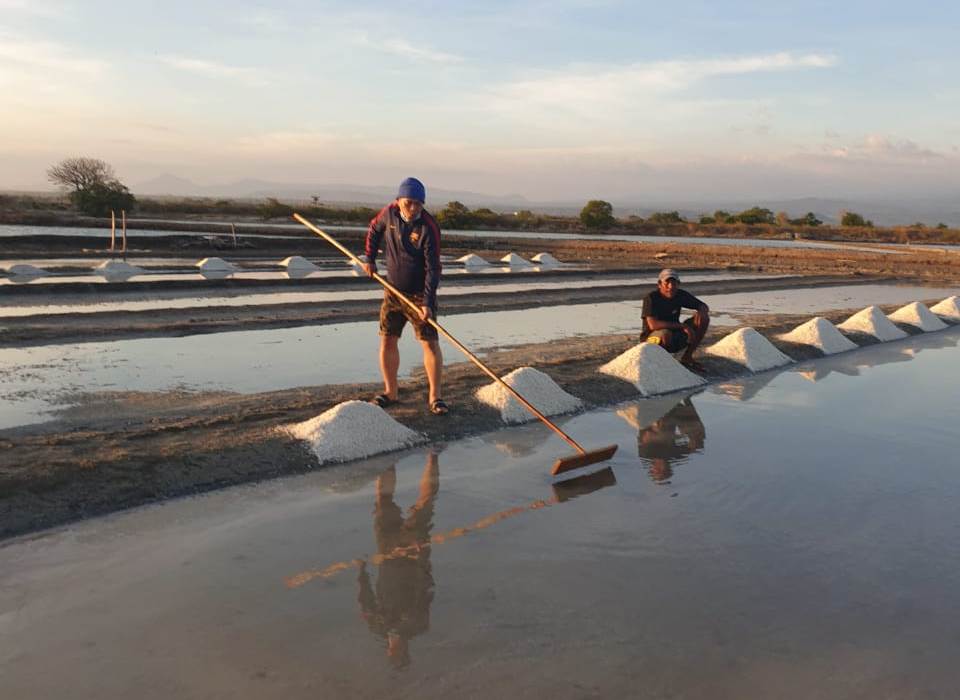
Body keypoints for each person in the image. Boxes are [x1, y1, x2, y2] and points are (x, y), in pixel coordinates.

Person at [364, 177, 447, 415]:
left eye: (419, 204)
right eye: (409, 203)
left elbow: (433, 269)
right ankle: (391, 392)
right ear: (399, 200)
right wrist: (369, 259)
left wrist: (428, 303)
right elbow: (373, 229)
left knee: (429, 343)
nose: (413, 209)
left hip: (420, 294)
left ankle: (435, 397)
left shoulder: (428, 227)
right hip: (392, 290)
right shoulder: (388, 214)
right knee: (388, 339)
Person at [357, 452, 439, 669]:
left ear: (389, 651)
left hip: (387, 551)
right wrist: (421, 556)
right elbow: (428, 589)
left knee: (383, 502)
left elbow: (365, 600)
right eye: (400, 653)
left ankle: (391, 458)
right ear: (405, 651)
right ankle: (431, 457)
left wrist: (361, 571)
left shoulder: (378, 626)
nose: (396, 649)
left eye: (395, 653)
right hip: (413, 553)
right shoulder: (418, 625)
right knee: (425, 504)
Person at [640, 268, 710, 371]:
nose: (671, 287)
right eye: (667, 283)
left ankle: (687, 357)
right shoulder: (651, 298)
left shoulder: (680, 294)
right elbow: (653, 325)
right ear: (659, 284)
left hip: (675, 335)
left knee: (703, 318)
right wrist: (683, 326)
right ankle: (663, 364)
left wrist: (702, 312)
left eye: (674, 283)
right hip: (651, 340)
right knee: (665, 333)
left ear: (678, 284)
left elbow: (703, 306)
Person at [637, 397, 706, 483]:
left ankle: (679, 401)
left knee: (659, 430)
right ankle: (685, 399)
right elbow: (696, 446)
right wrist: (694, 442)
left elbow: (648, 435)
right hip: (665, 415)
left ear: (652, 468)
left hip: (650, 414)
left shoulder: (646, 455)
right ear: (669, 467)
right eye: (663, 470)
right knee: (699, 435)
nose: (661, 468)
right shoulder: (673, 455)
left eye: (657, 470)